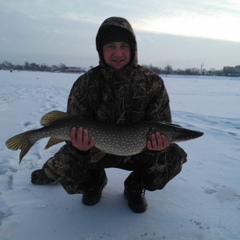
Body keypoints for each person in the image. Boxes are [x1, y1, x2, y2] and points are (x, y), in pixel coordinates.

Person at [31, 16, 187, 213]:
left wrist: (157, 148)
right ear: (100, 49)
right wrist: (78, 148)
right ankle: (93, 184)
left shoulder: (152, 83)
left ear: (133, 48)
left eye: (124, 45)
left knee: (171, 156)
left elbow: (161, 123)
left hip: (138, 152)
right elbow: (72, 124)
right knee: (63, 166)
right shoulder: (85, 83)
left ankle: (134, 187)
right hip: (94, 150)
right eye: (111, 46)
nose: (118, 53)